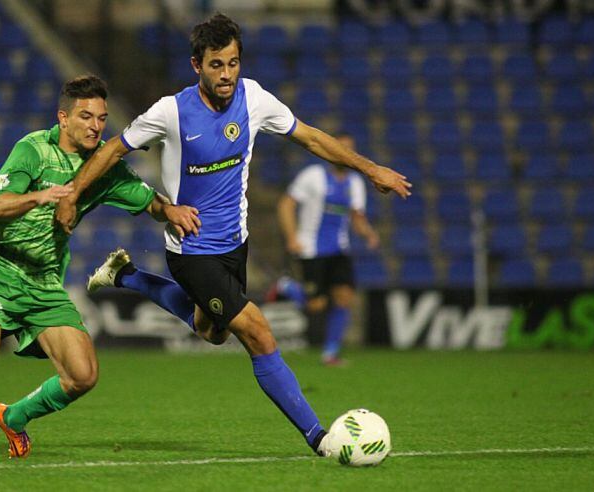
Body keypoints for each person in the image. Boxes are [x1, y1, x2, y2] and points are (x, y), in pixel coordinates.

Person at [55, 13, 411, 457]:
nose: (226, 74)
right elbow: (113, 148)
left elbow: (313, 139)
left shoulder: (255, 99)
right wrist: (72, 195)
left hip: (234, 246)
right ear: (196, 65)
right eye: (216, 65)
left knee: (212, 331)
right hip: (191, 250)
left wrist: (370, 168)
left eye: (233, 63)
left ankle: (127, 276)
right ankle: (319, 438)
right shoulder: (171, 112)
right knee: (258, 333)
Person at [0, 75, 199, 463]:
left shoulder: (102, 170)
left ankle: (13, 416)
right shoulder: (33, 150)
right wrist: (39, 196)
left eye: (101, 118)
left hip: (44, 282)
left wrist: (170, 210)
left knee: (83, 375)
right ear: (63, 118)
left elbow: (148, 201)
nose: (96, 126)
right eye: (85, 116)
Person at [277, 134, 381, 366]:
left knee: (344, 298)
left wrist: (368, 233)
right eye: (341, 148)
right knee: (317, 305)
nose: (345, 153)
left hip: (338, 249)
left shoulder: (355, 182)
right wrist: (292, 237)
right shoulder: (313, 176)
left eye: (350, 149)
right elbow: (286, 204)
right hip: (312, 249)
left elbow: (357, 217)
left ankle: (330, 353)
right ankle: (285, 287)